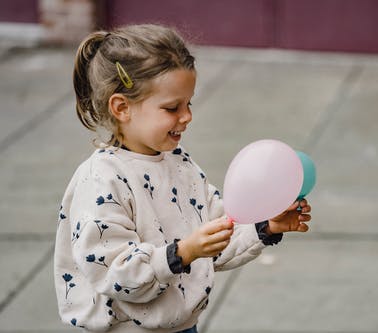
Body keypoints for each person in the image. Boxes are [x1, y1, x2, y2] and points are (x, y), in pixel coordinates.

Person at [54, 24, 312, 333]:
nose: (187, 116)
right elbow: (115, 275)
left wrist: (263, 227)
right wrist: (183, 252)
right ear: (122, 107)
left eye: (188, 103)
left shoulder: (180, 163)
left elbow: (216, 236)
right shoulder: (101, 180)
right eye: (172, 107)